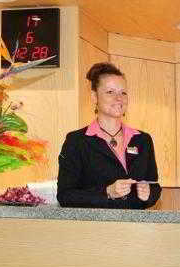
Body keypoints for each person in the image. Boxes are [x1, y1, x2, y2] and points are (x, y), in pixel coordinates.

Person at [57, 62, 161, 208]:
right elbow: (65, 196)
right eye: (110, 92)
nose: (119, 98)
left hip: (135, 222)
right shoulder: (76, 141)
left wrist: (148, 194)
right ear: (94, 97)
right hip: (96, 223)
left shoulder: (143, 140)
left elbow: (154, 186)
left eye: (123, 92)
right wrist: (107, 192)